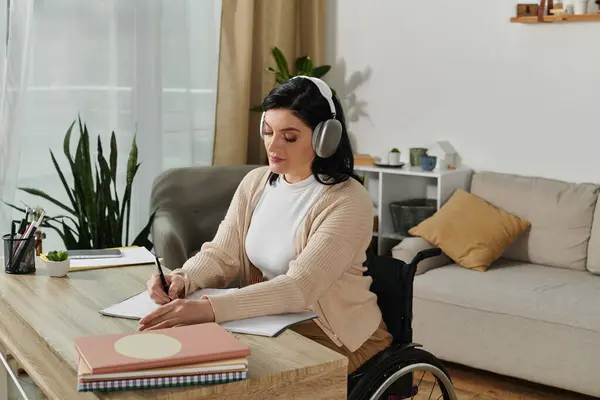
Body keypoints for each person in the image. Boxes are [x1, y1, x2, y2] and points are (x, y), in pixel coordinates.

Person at [139, 76, 392, 373]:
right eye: (268, 132)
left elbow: (299, 288)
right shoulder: (256, 183)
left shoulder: (348, 200)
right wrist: (183, 279)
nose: (273, 145)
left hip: (339, 341)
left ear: (325, 138)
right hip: (271, 324)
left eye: (290, 136)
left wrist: (209, 309)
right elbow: (222, 254)